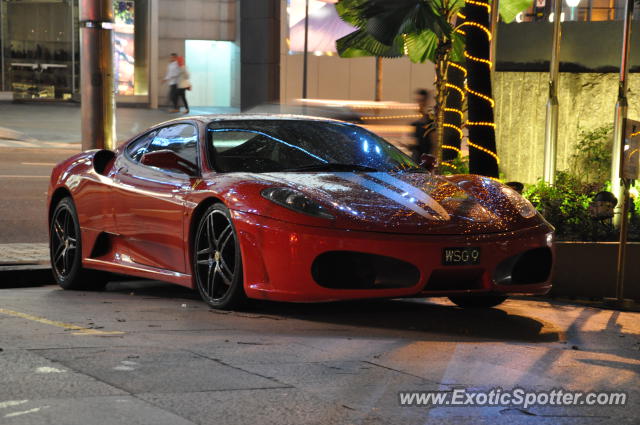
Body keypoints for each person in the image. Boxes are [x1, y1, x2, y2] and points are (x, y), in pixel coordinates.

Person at [410, 89, 436, 162]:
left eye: (420, 101)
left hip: (425, 165)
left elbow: (434, 145)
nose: (417, 104)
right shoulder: (417, 123)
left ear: (425, 102)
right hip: (418, 163)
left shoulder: (430, 122)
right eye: (416, 101)